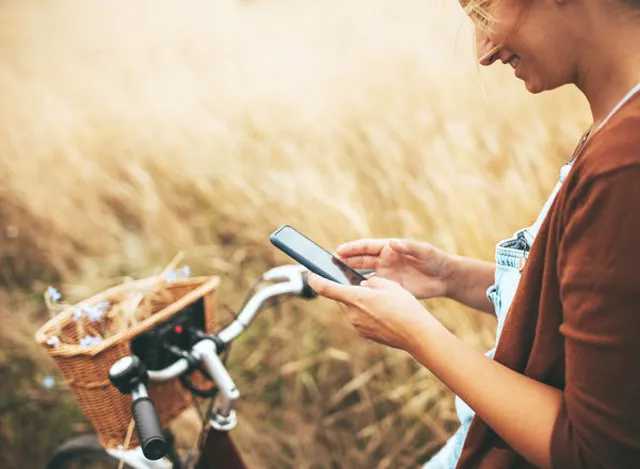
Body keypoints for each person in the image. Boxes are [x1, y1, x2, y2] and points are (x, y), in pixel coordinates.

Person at [306, 0, 640, 466]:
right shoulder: (616, 128)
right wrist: (451, 277)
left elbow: (596, 452)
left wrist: (417, 334)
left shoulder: (626, 164)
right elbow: (599, 314)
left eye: (483, 11)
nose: (484, 51)